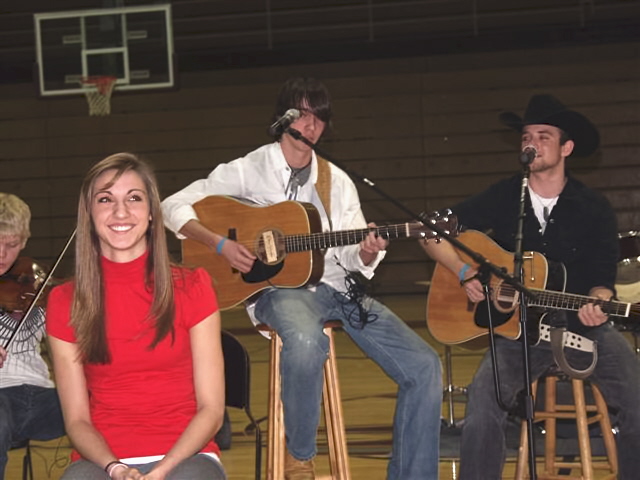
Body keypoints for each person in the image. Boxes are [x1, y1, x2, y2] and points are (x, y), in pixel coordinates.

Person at [161, 77, 443, 480]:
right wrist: (220, 245)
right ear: (284, 119)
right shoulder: (250, 168)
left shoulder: (336, 180)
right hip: (280, 292)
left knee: (425, 365)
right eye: (303, 114)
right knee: (308, 340)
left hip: (340, 289)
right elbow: (171, 205)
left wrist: (367, 250)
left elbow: (351, 251)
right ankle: (300, 457)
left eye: (320, 117)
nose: (311, 126)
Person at [421, 94, 640, 479]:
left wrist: (598, 301)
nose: (531, 143)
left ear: (566, 148)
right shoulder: (506, 196)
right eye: (526, 136)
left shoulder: (594, 207)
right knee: (483, 408)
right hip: (517, 332)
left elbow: (602, 281)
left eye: (543, 136)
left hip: (580, 326)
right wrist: (463, 272)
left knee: (637, 398)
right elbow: (429, 231)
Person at [46, 153, 227, 480]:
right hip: (102, 461)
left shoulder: (194, 287)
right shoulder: (63, 301)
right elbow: (76, 421)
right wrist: (115, 468)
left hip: (187, 456)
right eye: (105, 199)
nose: (120, 211)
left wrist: (162, 471)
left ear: (152, 214)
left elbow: (212, 411)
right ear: (88, 214)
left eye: (134, 198)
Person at [0, 193, 65, 479]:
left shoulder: (34, 282)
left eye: (11, 245)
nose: (2, 254)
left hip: (41, 398)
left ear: (24, 241)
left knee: (104, 403)